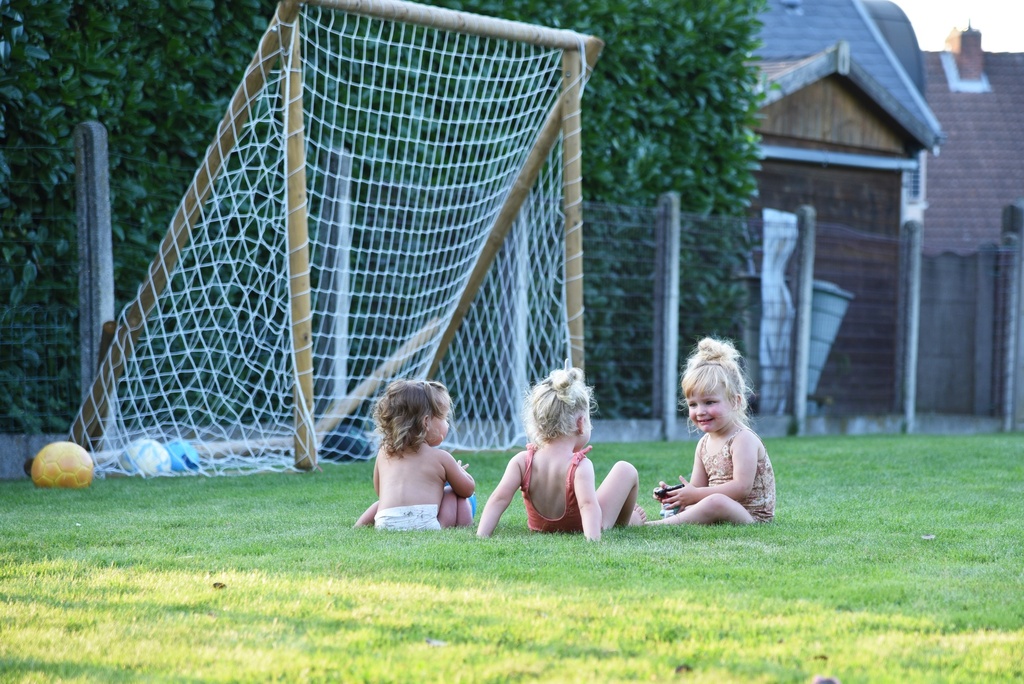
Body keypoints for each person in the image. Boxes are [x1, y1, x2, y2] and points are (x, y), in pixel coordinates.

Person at [476, 364, 646, 541]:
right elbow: (588, 506)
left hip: (540, 528)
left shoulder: (521, 461)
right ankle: (626, 522)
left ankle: (624, 520)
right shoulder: (580, 466)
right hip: (583, 527)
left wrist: (482, 535)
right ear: (580, 424)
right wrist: (593, 541)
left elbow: (498, 498)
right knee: (625, 469)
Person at [646, 336, 775, 526]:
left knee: (716, 502)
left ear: (735, 401)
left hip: (751, 516)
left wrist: (696, 494)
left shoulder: (743, 439)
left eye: (710, 402)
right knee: (695, 505)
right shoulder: (704, 444)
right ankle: (674, 517)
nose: (700, 411)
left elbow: (741, 488)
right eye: (693, 404)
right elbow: (698, 488)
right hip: (720, 509)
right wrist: (679, 495)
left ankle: (659, 526)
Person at [354, 379, 475, 530]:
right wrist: (460, 472)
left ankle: (358, 527)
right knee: (452, 492)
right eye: (444, 418)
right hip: (427, 525)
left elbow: (380, 491)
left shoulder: (384, 452)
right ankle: (466, 526)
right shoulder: (441, 458)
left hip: (386, 522)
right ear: (426, 422)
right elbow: (467, 489)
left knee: (380, 503)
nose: (447, 424)